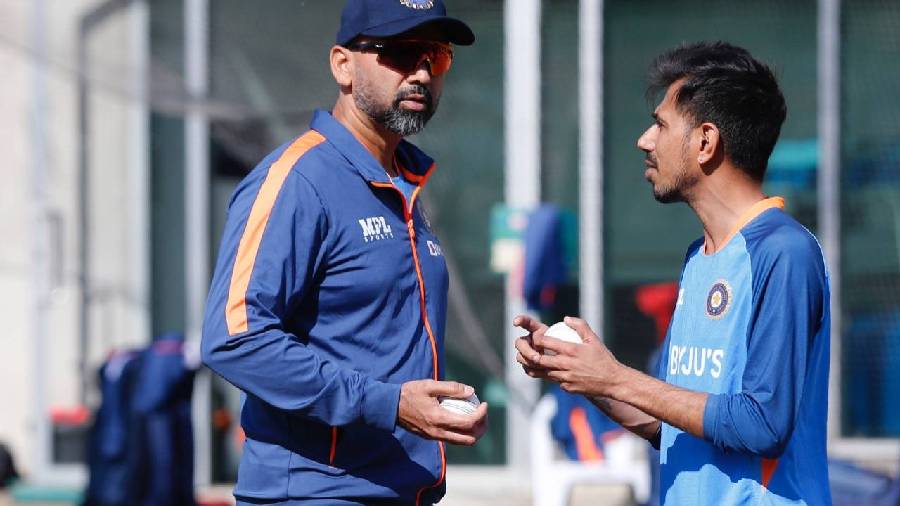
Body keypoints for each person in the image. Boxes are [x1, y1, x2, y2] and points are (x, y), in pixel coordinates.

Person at [515, 41, 831, 505]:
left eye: (661, 124)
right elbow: (670, 424)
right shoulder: (698, 258)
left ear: (705, 142)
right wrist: (582, 374)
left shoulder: (785, 252)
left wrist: (617, 378)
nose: (645, 140)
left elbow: (762, 424)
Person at [201, 1, 488, 504]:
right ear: (343, 65)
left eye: (436, 56)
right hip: (315, 494)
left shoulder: (407, 184)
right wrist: (390, 405)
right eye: (401, 53)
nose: (421, 72)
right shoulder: (298, 179)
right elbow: (233, 338)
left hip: (403, 491)